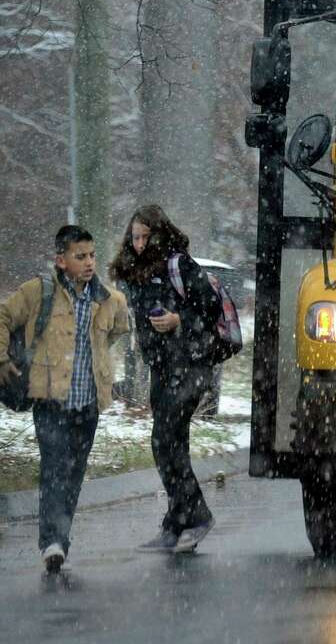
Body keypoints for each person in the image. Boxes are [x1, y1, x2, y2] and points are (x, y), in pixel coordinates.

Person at [0, 225, 129, 574]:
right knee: (54, 468)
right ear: (61, 260)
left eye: (92, 255)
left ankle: (60, 538)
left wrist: (98, 361)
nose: (89, 263)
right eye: (80, 256)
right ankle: (52, 542)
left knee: (73, 473)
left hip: (88, 405)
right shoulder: (37, 293)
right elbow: (3, 316)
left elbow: (119, 329)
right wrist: (3, 358)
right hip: (50, 401)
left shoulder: (109, 299)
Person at [109, 205, 220, 554]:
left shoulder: (178, 264)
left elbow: (210, 307)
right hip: (162, 369)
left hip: (189, 366)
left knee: (164, 442)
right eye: (135, 237)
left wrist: (178, 319)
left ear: (160, 234)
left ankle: (198, 515)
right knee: (172, 443)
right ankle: (175, 524)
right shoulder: (136, 271)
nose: (139, 243)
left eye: (145, 236)